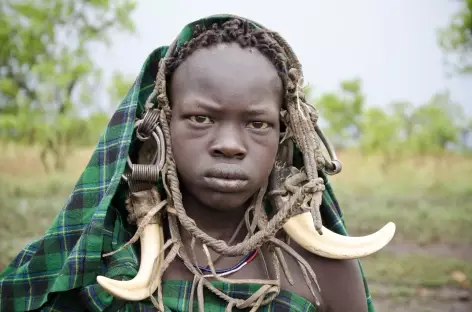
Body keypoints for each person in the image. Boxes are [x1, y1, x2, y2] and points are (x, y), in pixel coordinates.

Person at [0, 14, 395, 312]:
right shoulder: (99, 259)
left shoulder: (323, 270)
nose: (228, 145)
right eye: (201, 118)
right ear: (160, 128)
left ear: (285, 137)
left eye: (258, 123)